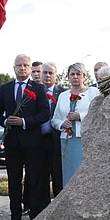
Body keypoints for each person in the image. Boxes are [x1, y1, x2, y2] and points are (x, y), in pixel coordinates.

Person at [0, 54, 49, 220]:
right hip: (12, 143)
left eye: (26, 65)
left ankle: (33, 216)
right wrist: (5, 121)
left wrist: (24, 122)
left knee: (33, 180)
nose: (23, 68)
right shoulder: (5, 89)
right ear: (14, 68)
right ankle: (14, 218)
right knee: (14, 181)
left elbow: (44, 114)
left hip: (33, 142)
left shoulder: (38, 89)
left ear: (30, 68)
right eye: (19, 65)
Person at [51, 63, 99, 186]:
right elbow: (54, 120)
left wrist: (80, 116)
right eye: (72, 74)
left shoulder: (93, 92)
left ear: (85, 76)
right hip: (66, 139)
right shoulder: (63, 96)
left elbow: (98, 113)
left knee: (81, 171)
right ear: (68, 77)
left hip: (84, 138)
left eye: (79, 74)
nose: (75, 77)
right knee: (68, 171)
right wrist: (62, 124)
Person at [41, 62, 67, 197]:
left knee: (58, 176)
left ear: (56, 75)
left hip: (56, 141)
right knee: (40, 178)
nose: (47, 75)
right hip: (38, 142)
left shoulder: (63, 93)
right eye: (45, 72)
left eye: (50, 73)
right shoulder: (34, 91)